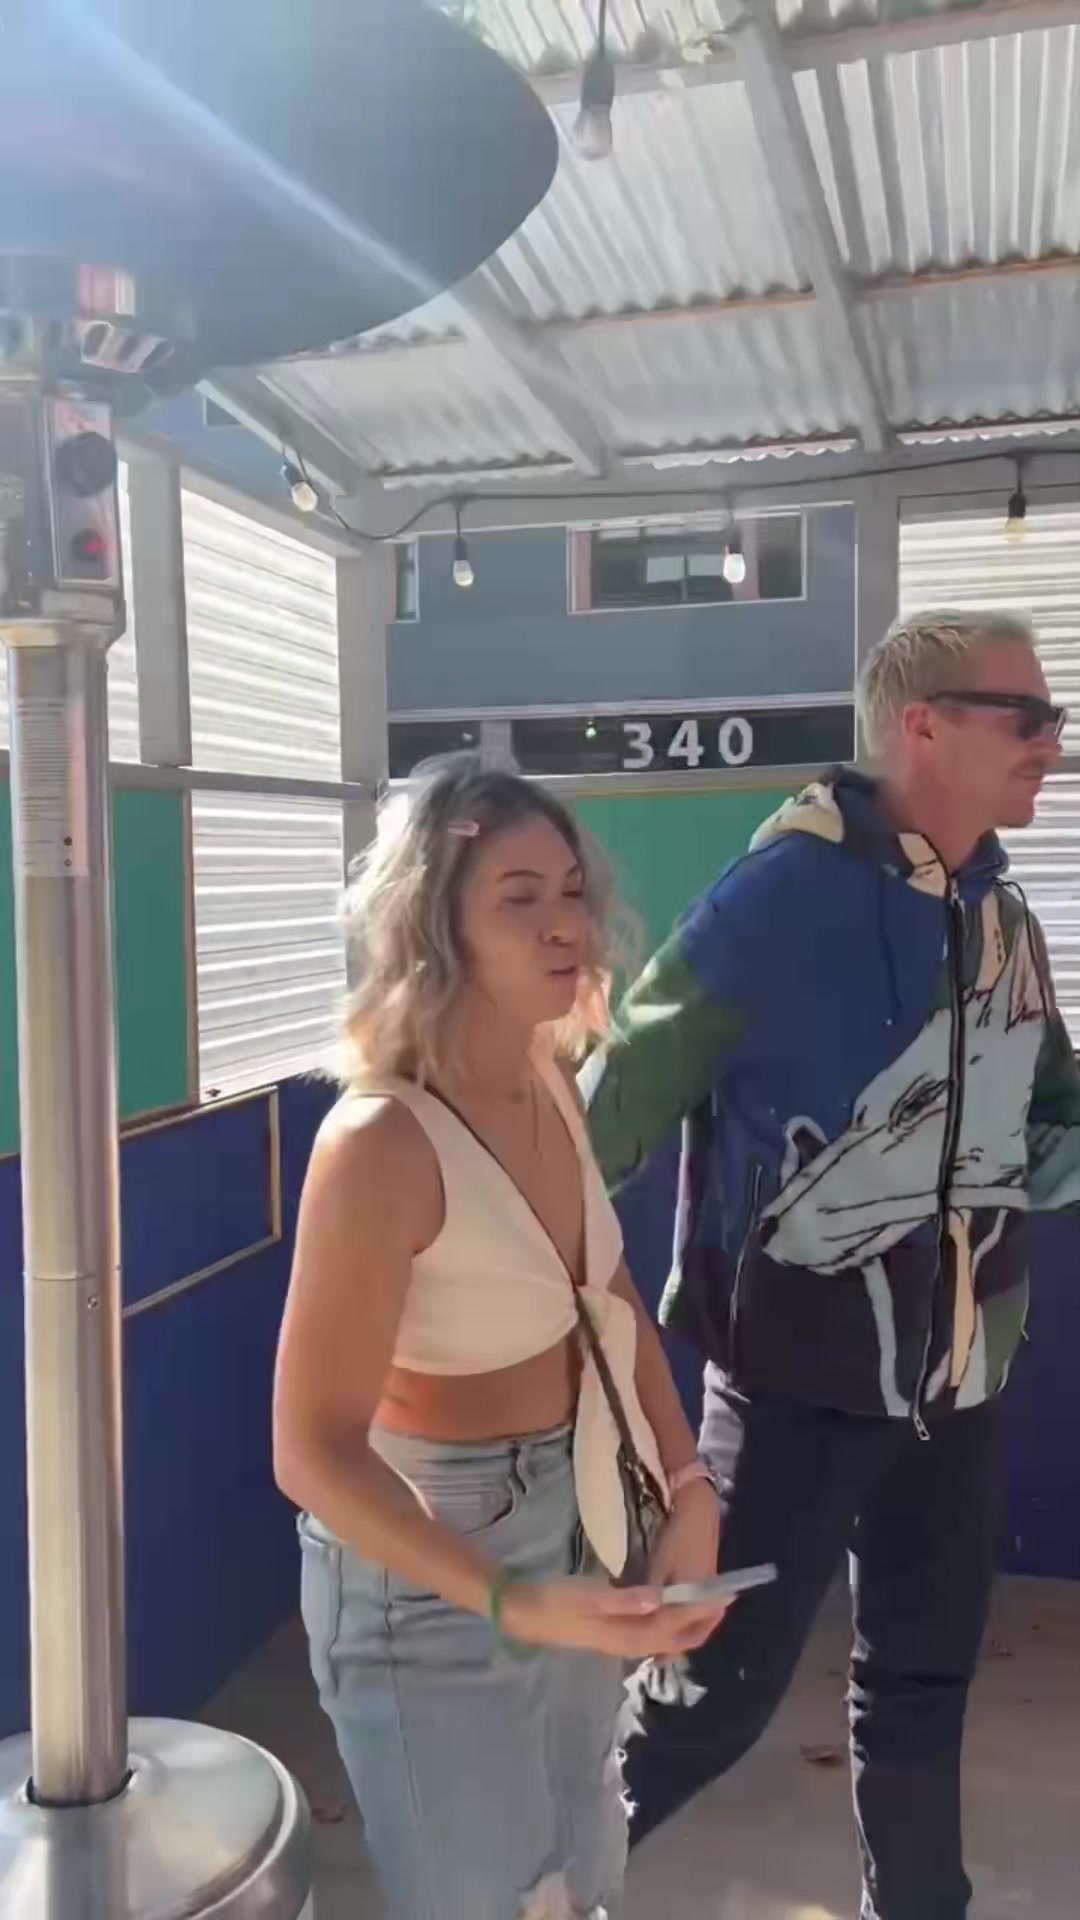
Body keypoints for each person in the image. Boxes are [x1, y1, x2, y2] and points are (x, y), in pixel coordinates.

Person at [582, 611, 1080, 1920]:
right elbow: (602, 1117)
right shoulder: (772, 901)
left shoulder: (1001, 916)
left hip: (960, 1388)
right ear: (924, 727)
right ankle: (534, 1892)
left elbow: (1051, 1128)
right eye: (1026, 718)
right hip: (794, 1391)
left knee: (919, 1690)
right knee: (705, 1698)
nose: (1053, 743)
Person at [273, 755, 727, 1920]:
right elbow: (312, 1453)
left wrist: (686, 1486)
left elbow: (606, 1291)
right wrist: (509, 1600)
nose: (566, 923)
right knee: (496, 1901)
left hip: (578, 1512)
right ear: (434, 930)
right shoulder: (379, 1143)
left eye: (571, 890)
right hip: (434, 1562)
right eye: (519, 898)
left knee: (584, 1874)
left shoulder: (548, 1075)